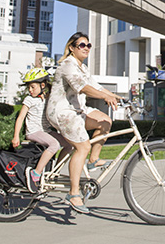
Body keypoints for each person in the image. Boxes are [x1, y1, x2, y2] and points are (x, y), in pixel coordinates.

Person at [47, 32, 121, 214]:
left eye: (88, 45)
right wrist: (105, 96)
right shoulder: (67, 65)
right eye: (82, 45)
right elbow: (83, 87)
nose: (86, 48)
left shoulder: (83, 68)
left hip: (78, 109)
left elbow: (95, 85)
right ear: (72, 47)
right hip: (63, 111)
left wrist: (114, 96)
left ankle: (93, 160)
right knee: (82, 147)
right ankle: (73, 194)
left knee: (105, 121)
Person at [12, 68, 71, 193]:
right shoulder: (29, 100)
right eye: (29, 87)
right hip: (34, 132)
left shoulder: (47, 98)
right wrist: (16, 136)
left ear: (42, 85)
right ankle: (36, 174)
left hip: (46, 131)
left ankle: (54, 172)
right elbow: (21, 117)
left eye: (33, 87)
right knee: (54, 144)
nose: (30, 90)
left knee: (69, 145)